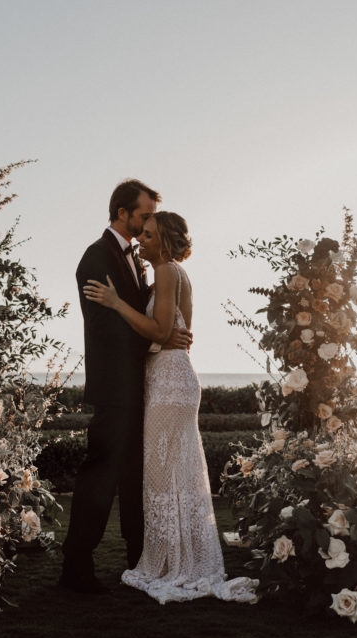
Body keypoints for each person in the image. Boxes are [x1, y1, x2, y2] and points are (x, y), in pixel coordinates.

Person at [83, 211, 258, 604]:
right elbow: (177, 333)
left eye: (147, 235)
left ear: (164, 241)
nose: (140, 240)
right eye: (140, 234)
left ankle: (174, 564)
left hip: (168, 383)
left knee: (163, 473)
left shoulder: (165, 271)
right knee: (177, 472)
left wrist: (115, 303)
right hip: (174, 377)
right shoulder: (178, 274)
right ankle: (186, 558)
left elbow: (163, 332)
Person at [58, 180, 192, 594]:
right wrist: (159, 337)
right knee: (100, 476)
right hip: (116, 389)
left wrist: (164, 334)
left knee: (139, 477)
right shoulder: (96, 258)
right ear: (122, 213)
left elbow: (153, 312)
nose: (148, 221)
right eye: (143, 215)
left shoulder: (140, 260)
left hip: (145, 387)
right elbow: (107, 330)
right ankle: (76, 566)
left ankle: (141, 561)